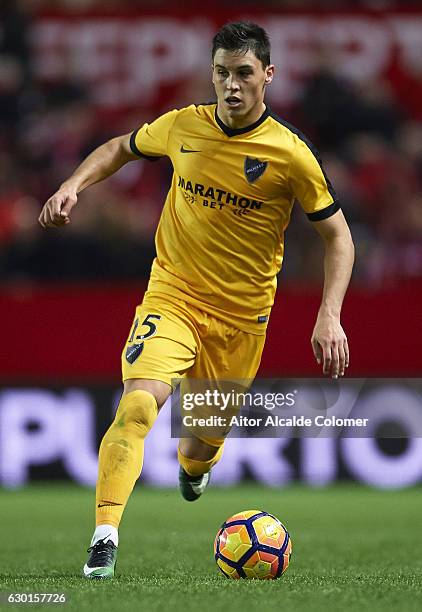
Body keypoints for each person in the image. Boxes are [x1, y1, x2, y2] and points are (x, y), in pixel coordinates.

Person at [38, 22, 354, 579]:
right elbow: (119, 148)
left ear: (268, 76)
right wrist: (72, 186)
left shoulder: (291, 155)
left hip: (240, 319)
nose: (231, 86)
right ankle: (104, 538)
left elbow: (338, 237)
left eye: (244, 74)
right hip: (174, 295)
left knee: (200, 445)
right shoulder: (183, 125)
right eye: (221, 73)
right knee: (137, 407)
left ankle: (195, 464)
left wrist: (329, 315)